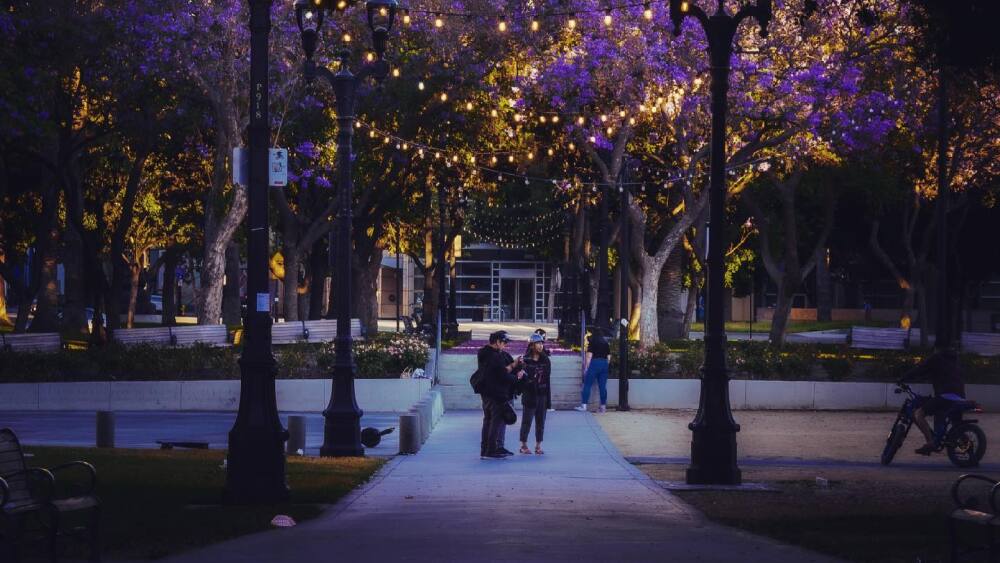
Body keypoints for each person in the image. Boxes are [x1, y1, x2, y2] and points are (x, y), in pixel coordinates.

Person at [900, 347, 965, 455]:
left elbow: (920, 369)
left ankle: (930, 443)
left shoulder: (936, 358)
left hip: (945, 396)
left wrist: (903, 378)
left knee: (918, 413)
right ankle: (940, 439)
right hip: (960, 397)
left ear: (937, 348)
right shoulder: (955, 360)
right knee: (948, 419)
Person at [477, 331, 523, 459]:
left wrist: (512, 365)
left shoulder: (485, 353)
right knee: (495, 422)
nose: (505, 345)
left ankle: (485, 450)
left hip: (486, 393)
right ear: (497, 342)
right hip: (496, 394)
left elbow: (500, 370)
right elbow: (502, 375)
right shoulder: (495, 356)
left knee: (488, 421)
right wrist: (517, 378)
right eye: (504, 342)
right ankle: (491, 450)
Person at [517, 334, 551, 454]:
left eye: (542, 343)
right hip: (530, 395)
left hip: (542, 395)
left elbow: (547, 378)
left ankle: (538, 445)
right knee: (527, 421)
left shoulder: (545, 360)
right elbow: (521, 378)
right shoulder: (525, 360)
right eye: (538, 343)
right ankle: (524, 445)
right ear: (531, 345)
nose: (540, 346)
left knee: (540, 421)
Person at [575, 328, 610, 413]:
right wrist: (605, 365)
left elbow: (589, 356)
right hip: (604, 364)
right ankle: (603, 407)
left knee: (587, 384)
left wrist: (586, 368)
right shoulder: (606, 343)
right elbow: (609, 357)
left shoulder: (593, 342)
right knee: (602, 386)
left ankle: (584, 406)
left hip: (595, 363)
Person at [533, 328, 555, 412]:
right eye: (543, 336)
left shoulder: (540, 346)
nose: (544, 338)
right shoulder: (534, 347)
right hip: (540, 373)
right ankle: (545, 406)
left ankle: (546, 406)